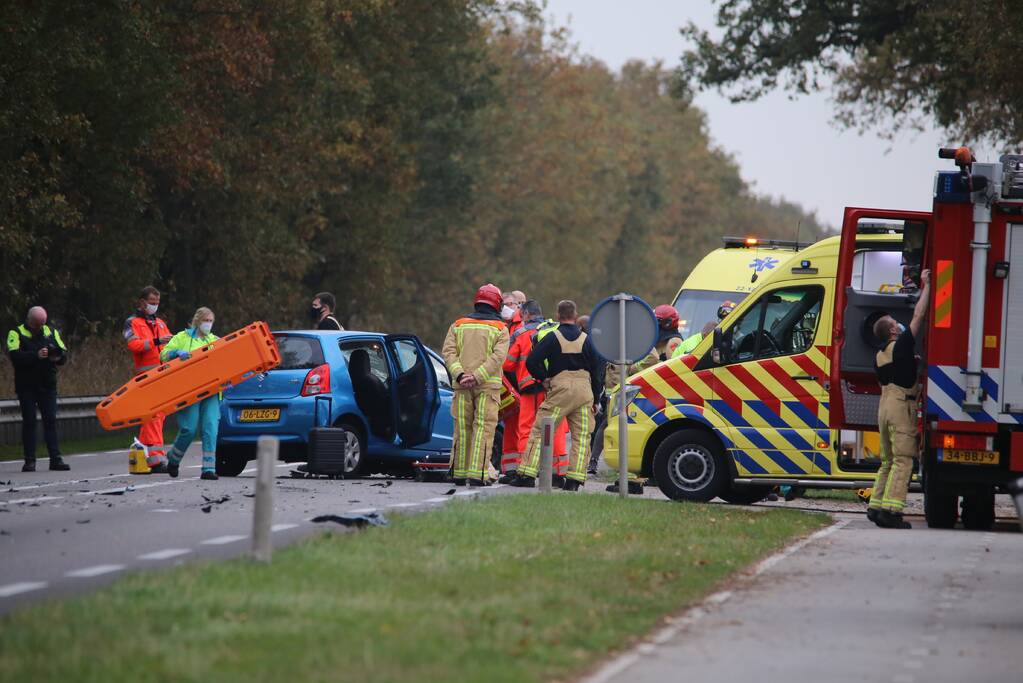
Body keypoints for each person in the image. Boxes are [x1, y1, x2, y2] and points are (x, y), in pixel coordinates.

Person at [507, 300, 603, 490]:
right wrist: (596, 399)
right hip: (584, 390)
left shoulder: (552, 337)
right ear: (575, 316)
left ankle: (526, 474)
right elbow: (597, 371)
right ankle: (575, 480)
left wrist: (544, 378)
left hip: (560, 389)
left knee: (540, 430)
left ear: (558, 316)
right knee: (582, 436)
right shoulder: (587, 340)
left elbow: (532, 361)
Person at [868, 268, 931, 529]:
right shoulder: (902, 345)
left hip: (884, 406)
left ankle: (875, 506)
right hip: (900, 406)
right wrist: (927, 286)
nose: (899, 324)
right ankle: (891, 512)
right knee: (904, 460)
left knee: (888, 461)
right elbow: (919, 316)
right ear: (893, 330)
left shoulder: (879, 354)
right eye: (895, 322)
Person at [442, 284, 510, 486]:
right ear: (497, 304)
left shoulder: (458, 325)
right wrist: (478, 376)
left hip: (462, 386)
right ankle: (478, 474)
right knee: (483, 429)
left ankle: (459, 473)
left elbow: (448, 353)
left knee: (462, 429)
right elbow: (498, 357)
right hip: (487, 386)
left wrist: (461, 375)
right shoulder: (500, 329)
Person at [500, 300, 568, 479]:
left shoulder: (521, 333)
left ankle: (525, 471)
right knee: (556, 427)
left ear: (525, 314)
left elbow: (507, 364)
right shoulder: (555, 330)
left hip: (530, 389)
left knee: (527, 429)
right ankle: (558, 472)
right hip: (554, 388)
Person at [6, 307, 70, 472]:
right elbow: (14, 356)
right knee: (29, 422)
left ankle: (55, 459)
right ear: (29, 321)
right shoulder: (16, 333)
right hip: (26, 386)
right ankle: (30, 461)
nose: (39, 327)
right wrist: (36, 355)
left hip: (47, 385)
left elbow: (63, 353)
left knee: (50, 421)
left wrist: (57, 356)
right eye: (36, 324)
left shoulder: (51, 332)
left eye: (42, 324)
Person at [161, 307, 221, 480]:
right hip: (189, 390)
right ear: (197, 321)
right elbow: (163, 355)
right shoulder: (182, 337)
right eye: (206, 320)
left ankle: (209, 469)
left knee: (210, 428)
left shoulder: (214, 340)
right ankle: (173, 459)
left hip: (211, 389)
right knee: (189, 429)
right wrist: (176, 353)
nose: (208, 324)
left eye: (211, 321)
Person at [123, 286, 172, 472]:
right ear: (142, 302)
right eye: (152, 302)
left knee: (156, 416)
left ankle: (144, 454)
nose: (155, 306)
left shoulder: (160, 323)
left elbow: (170, 345)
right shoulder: (132, 322)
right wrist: (156, 342)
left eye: (157, 303)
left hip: (163, 375)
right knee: (154, 415)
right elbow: (134, 345)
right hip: (146, 377)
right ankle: (156, 459)